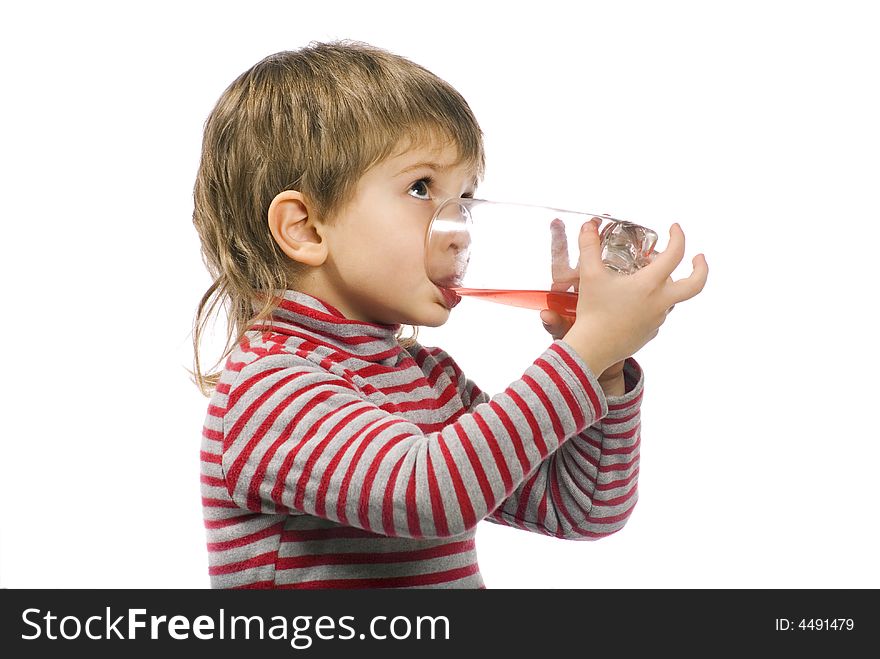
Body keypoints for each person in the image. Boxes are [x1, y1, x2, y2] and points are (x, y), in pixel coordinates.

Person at [191, 41, 708, 589]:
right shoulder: (268, 388)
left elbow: (580, 509)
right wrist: (586, 351)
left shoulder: (428, 378)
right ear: (306, 228)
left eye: (465, 197)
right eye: (421, 188)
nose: (459, 227)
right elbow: (431, 495)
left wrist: (602, 369)